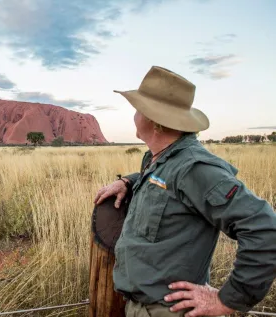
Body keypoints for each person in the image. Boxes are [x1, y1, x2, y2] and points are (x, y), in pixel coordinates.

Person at [94, 66, 276, 317]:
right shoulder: (160, 159)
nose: (134, 115)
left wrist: (228, 300)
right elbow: (166, 186)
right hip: (140, 308)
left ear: (154, 121)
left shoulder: (195, 168)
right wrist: (128, 182)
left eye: (138, 109)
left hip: (170, 311)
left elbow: (265, 229)